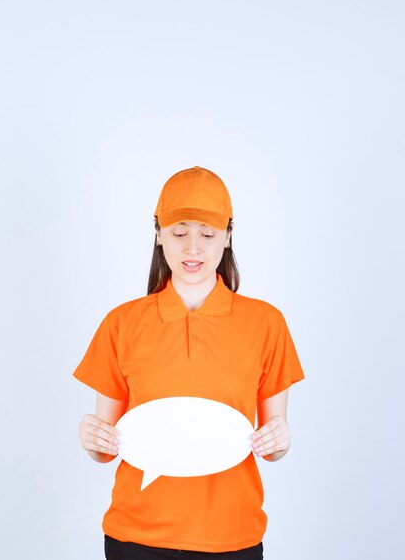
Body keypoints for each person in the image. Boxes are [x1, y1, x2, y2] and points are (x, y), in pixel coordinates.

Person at [74, 165, 305, 560]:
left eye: (208, 234)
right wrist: (92, 438)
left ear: (229, 236)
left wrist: (281, 439)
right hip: (135, 538)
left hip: (232, 537)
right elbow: (107, 448)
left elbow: (272, 444)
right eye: (179, 233)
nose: (193, 249)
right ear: (159, 235)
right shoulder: (122, 324)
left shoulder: (266, 323)